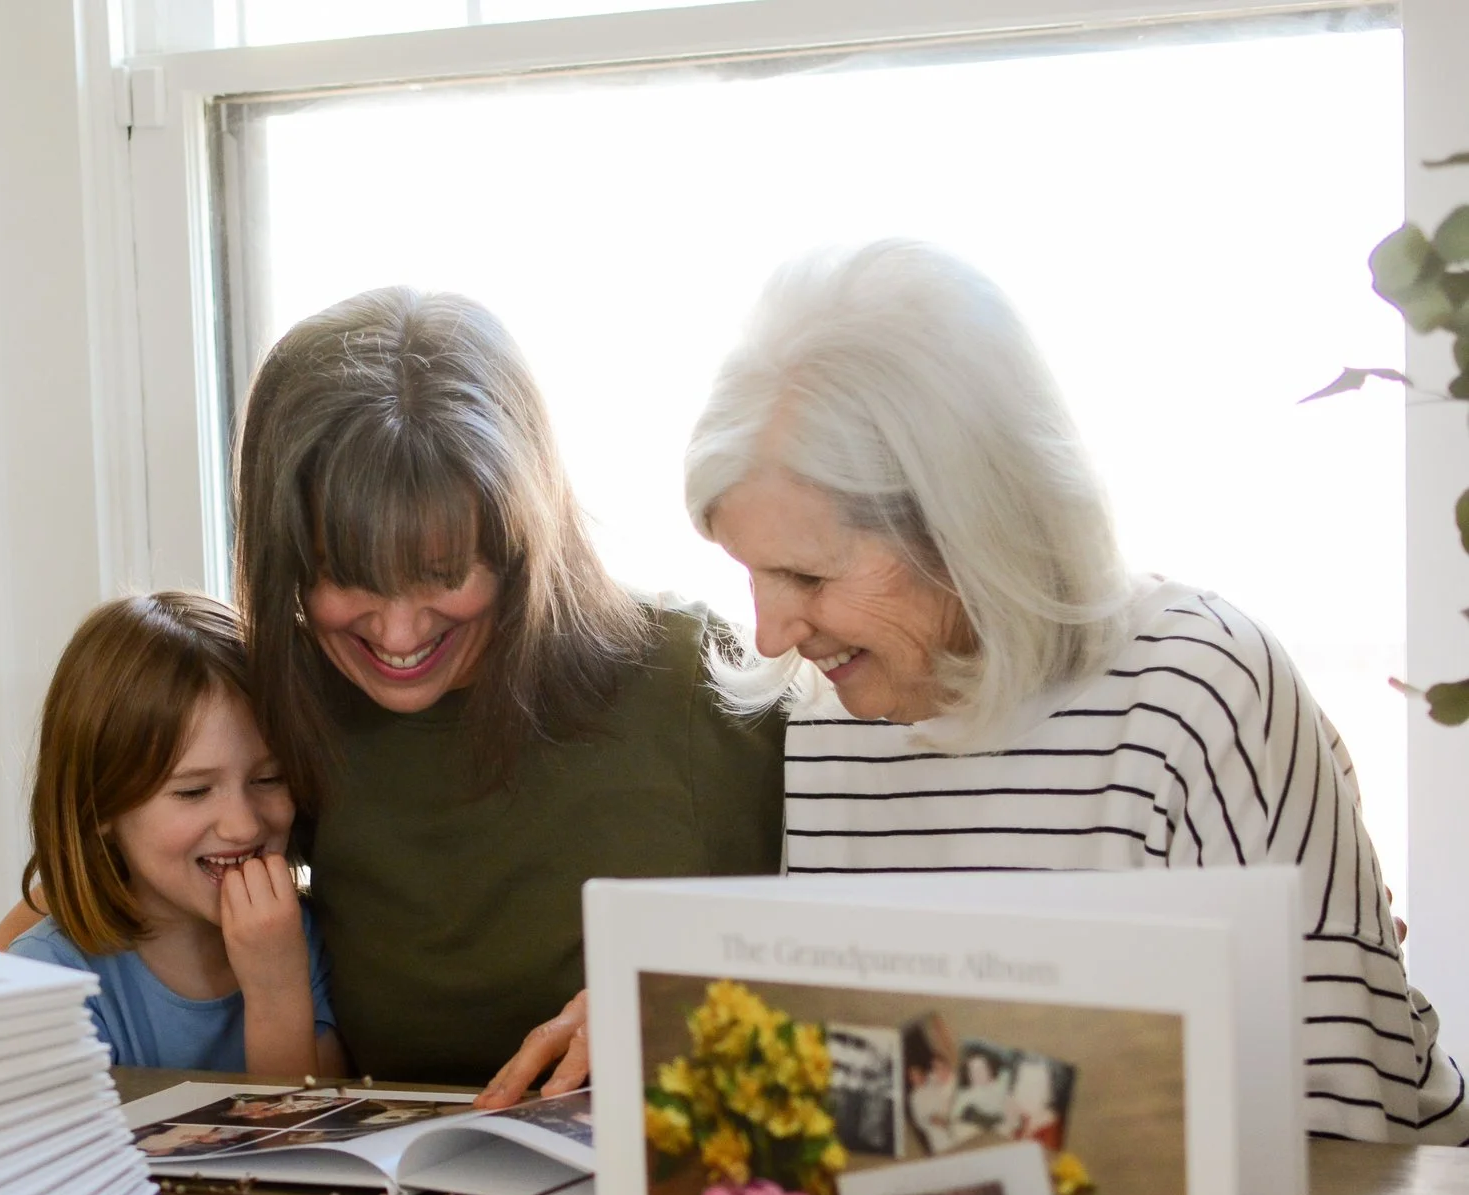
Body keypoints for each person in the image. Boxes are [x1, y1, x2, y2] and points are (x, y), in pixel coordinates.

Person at [687, 239, 1463, 1142]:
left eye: (808, 577)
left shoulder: (1197, 694)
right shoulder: (833, 709)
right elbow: (878, 1105)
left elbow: (1334, 1142)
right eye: (751, 574)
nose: (773, 633)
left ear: (967, 528)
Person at [231, 287, 784, 1098]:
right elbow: (89, 895)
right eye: (347, 579)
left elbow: (872, 962)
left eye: (442, 575)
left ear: (523, 538)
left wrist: (680, 1001)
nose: (396, 633)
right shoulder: (278, 708)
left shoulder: (705, 685)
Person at [3, 591, 347, 1078]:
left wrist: (276, 990)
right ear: (99, 803)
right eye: (193, 791)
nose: (244, 825)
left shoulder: (303, 937)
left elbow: (306, 1139)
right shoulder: (49, 977)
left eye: (268, 779)